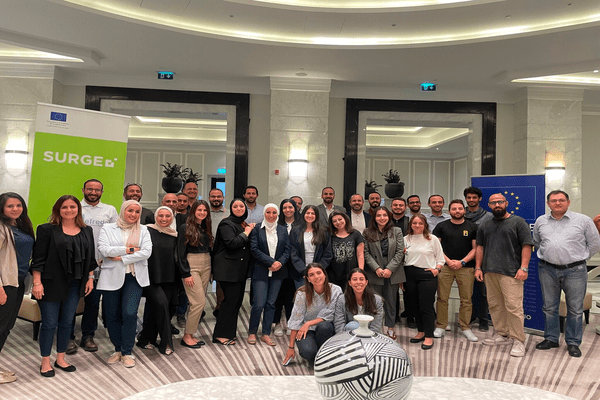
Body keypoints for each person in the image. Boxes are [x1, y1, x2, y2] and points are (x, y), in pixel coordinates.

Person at [30, 195, 95, 377]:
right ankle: (45, 361)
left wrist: (90, 278)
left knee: (68, 322)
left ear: (78, 209)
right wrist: (37, 282)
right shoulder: (46, 230)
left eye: (72, 207)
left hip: (75, 284)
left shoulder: (86, 230)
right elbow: (38, 259)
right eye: (64, 207)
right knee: (49, 323)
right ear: (58, 210)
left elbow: (90, 258)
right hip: (50, 284)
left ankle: (60, 359)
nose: (69, 210)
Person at [533, 190, 600, 358]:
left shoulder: (583, 220)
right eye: (554, 200)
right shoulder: (541, 221)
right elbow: (537, 242)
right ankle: (551, 338)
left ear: (568, 202)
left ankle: (573, 342)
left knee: (575, 309)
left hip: (575, 271)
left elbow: (594, 243)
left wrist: (581, 258)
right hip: (547, 269)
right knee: (549, 307)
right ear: (548, 203)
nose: (558, 203)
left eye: (561, 200)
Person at [475, 193, 533, 358]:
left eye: (500, 202)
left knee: (514, 308)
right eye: (493, 203)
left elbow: (526, 245)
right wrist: (478, 268)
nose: (497, 205)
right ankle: (501, 334)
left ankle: (518, 340)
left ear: (506, 203)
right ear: (489, 205)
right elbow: (479, 247)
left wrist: (524, 268)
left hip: (511, 273)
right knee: (494, 305)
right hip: (489, 271)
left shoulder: (518, 222)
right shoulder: (485, 225)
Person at [97, 200, 152, 368]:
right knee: (112, 315)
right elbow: (104, 249)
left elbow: (147, 252)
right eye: (130, 210)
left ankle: (127, 351)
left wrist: (122, 257)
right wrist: (129, 249)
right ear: (123, 210)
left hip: (134, 278)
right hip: (111, 277)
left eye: (137, 212)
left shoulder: (144, 230)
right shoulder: (108, 228)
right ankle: (118, 349)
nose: (133, 214)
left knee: (129, 313)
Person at [71, 178, 118, 354]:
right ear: (83, 190)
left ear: (102, 192)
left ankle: (88, 336)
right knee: (71, 301)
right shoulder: (75, 208)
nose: (93, 192)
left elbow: (116, 233)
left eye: (97, 190)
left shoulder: (110, 210)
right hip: (74, 264)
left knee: (92, 302)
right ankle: (68, 337)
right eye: (90, 189)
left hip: (99, 264)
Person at [432, 199, 478, 342]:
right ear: (449, 211)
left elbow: (476, 248)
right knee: (442, 298)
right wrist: (448, 261)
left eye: (459, 209)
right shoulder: (441, 226)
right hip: (445, 267)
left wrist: (462, 262)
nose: (457, 211)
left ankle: (465, 327)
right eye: (454, 209)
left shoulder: (473, 227)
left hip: (466, 268)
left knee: (466, 299)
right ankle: (441, 325)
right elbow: (436, 248)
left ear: (464, 210)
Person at [0, 193, 35, 384]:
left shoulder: (20, 226)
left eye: (18, 205)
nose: (15, 209)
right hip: (4, 284)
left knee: (7, 326)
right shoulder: (1, 227)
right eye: (10, 206)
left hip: (18, 282)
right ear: (2, 208)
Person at [136, 206, 179, 355]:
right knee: (162, 305)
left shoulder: (174, 234)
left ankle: (145, 339)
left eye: (168, 216)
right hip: (150, 277)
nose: (164, 219)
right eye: (161, 216)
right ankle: (166, 343)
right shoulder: (146, 231)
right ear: (155, 217)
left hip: (169, 278)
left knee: (156, 309)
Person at [212, 199, 254, 346]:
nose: (238, 208)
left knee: (236, 302)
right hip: (227, 270)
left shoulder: (241, 223)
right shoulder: (226, 223)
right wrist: (247, 232)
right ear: (231, 208)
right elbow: (232, 243)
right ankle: (220, 335)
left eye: (241, 206)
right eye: (235, 206)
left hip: (238, 271)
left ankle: (229, 333)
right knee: (229, 302)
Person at [282, 263, 342, 367]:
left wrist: (309, 323)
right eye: (312, 275)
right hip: (306, 331)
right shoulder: (302, 293)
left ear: (325, 274)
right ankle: (320, 356)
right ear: (308, 279)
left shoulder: (336, 290)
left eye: (319, 273)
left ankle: (322, 356)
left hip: (325, 330)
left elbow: (331, 314)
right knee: (308, 352)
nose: (316, 277)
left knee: (324, 326)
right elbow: (296, 320)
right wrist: (291, 347)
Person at [248, 203, 290, 346]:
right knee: (258, 304)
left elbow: (287, 250)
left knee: (271, 304)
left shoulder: (283, 230)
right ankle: (252, 332)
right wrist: (271, 262)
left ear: (278, 214)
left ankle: (266, 333)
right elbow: (254, 249)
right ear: (264, 214)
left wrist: (279, 263)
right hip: (261, 270)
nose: (271, 215)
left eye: (274, 213)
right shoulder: (256, 229)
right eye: (268, 212)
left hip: (278, 272)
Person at [403, 214, 445, 350]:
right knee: (414, 306)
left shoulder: (432, 239)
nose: (417, 226)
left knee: (426, 306)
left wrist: (437, 269)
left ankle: (429, 335)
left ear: (425, 225)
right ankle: (420, 332)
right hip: (409, 275)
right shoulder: (405, 239)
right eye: (414, 223)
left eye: (420, 223)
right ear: (410, 225)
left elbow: (440, 258)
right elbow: (401, 259)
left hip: (427, 275)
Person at [363, 206, 405, 340]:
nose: (382, 218)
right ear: (374, 218)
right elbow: (366, 253)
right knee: (374, 301)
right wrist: (376, 268)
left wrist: (389, 269)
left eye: (385, 215)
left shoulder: (396, 231)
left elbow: (400, 252)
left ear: (389, 216)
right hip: (374, 270)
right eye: (379, 215)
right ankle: (375, 328)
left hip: (392, 270)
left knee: (391, 301)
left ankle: (390, 328)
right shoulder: (367, 232)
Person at [178, 200, 213, 349]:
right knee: (198, 302)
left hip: (207, 264)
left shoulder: (205, 228)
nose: (202, 213)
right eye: (199, 210)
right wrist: (186, 273)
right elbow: (180, 253)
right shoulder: (185, 227)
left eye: (205, 210)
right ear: (193, 211)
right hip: (192, 264)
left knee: (199, 301)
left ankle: (191, 334)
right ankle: (187, 335)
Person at [464, 186, 492, 331]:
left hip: (482, 257)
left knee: (482, 290)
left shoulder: (489, 216)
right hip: (465, 258)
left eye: (474, 197)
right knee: (467, 290)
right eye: (469, 197)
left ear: (480, 199)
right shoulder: (460, 214)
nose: (471, 200)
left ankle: (483, 319)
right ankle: (471, 315)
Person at [273, 198, 301, 337]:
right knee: (278, 296)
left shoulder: (301, 224)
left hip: (295, 266)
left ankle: (291, 323)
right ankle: (277, 323)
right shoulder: (277, 224)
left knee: (291, 296)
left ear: (295, 208)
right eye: (285, 208)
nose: (288, 210)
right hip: (279, 264)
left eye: (290, 207)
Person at [290, 205, 332, 290]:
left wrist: (318, 270)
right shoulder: (295, 230)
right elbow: (292, 252)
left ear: (316, 215)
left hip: (318, 272)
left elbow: (327, 253)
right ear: (303, 214)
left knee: (318, 298)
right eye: (307, 213)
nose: (310, 215)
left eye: (313, 213)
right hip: (300, 272)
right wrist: (304, 270)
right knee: (303, 298)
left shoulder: (323, 231)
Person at [334, 268, 383, 333]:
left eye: (361, 279)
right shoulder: (342, 299)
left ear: (366, 282)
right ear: (349, 283)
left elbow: (376, 327)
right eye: (354, 279)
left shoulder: (377, 300)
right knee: (353, 325)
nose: (358, 282)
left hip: (370, 337)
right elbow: (339, 325)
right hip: (348, 336)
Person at [328, 211, 364, 290]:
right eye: (334, 221)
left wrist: (361, 271)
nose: (338, 222)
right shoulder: (329, 235)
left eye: (340, 219)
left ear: (345, 219)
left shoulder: (355, 234)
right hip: (333, 274)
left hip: (351, 272)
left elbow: (360, 254)